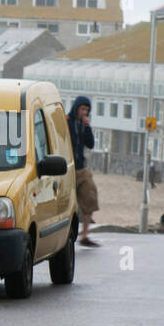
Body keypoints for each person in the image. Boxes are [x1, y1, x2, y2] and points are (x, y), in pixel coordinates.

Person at [68, 95, 99, 247]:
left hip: (81, 168)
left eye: (87, 110)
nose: (85, 112)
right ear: (76, 108)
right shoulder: (67, 121)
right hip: (67, 169)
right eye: (82, 109)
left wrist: (87, 126)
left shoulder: (83, 125)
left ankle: (85, 235)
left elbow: (90, 144)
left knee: (90, 197)